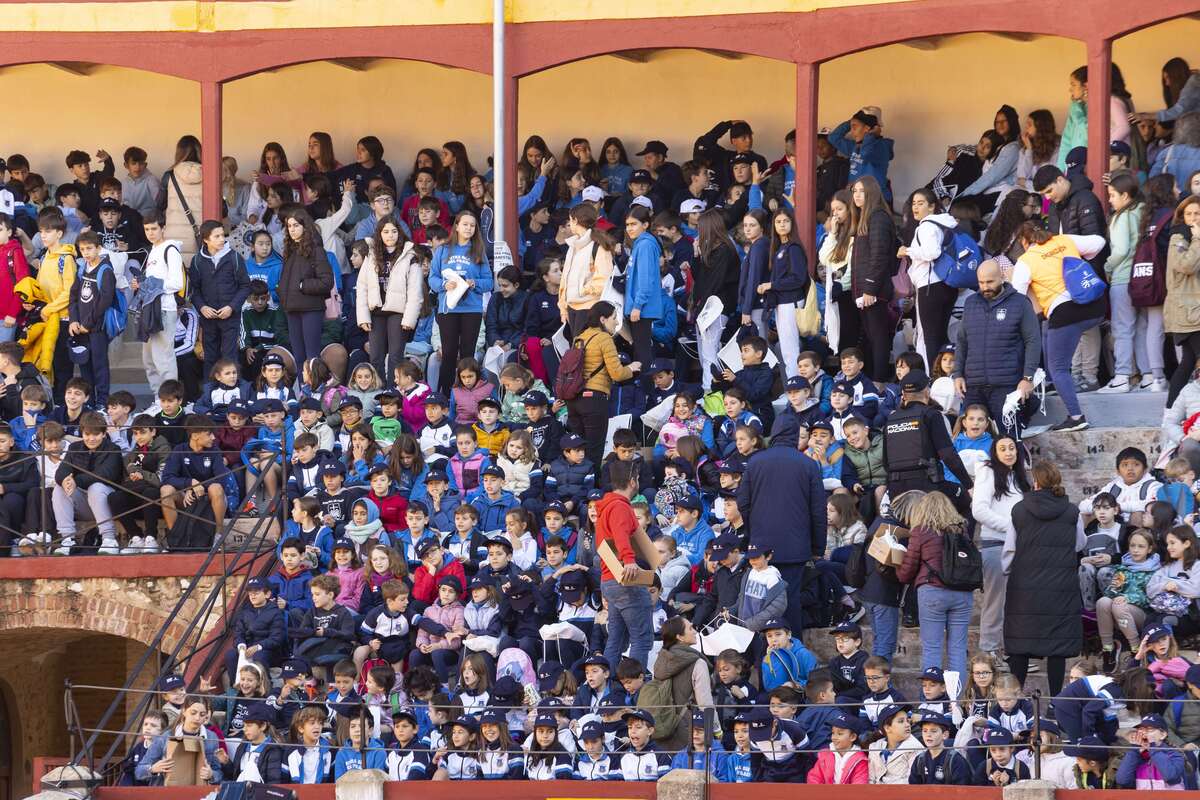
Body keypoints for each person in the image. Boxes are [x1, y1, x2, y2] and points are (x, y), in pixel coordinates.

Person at [1010, 220, 1107, 432]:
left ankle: (1075, 416)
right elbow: (1099, 242)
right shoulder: (1064, 240)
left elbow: (1017, 296)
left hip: (1065, 313)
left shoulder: (1026, 261)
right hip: (1096, 306)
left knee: (1058, 367)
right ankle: (1089, 375)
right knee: (1070, 332)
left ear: (1024, 241)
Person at [737, 414, 826, 633]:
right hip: (795, 547)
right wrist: (818, 547)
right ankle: (792, 656)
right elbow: (818, 511)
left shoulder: (756, 461)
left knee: (759, 602)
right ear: (795, 435)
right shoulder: (808, 464)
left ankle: (763, 659)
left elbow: (743, 503)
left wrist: (751, 536)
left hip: (760, 547)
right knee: (790, 601)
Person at [1003, 460, 1083, 698]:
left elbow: (1009, 550)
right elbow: (1080, 543)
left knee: (1020, 645)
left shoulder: (1019, 509)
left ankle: (1014, 701)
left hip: (1024, 588)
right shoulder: (1071, 510)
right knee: (1057, 648)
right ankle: (1056, 700)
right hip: (1061, 586)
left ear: (1035, 481)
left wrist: (1010, 572)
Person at [953, 260, 1040, 438]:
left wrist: (1027, 378)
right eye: (981, 282)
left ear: (1002, 277)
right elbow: (962, 340)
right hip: (974, 385)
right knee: (970, 439)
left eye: (990, 282)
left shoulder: (1020, 303)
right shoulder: (971, 303)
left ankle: (1017, 467)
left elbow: (1033, 341)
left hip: (1006, 385)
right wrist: (958, 374)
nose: (985, 287)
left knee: (1009, 440)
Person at [895, 492, 974, 682]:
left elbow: (907, 571)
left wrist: (897, 565)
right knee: (957, 649)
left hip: (932, 592)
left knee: (932, 648)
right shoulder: (961, 530)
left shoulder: (921, 531)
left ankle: (933, 702)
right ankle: (957, 702)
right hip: (962, 593)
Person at [972, 436, 1028, 664]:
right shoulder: (988, 472)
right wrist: (1012, 527)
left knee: (1015, 601)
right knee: (996, 600)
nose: (1008, 452)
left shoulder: (1019, 477)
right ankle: (989, 651)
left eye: (1012, 448)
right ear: (995, 452)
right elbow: (979, 510)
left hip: (1019, 547)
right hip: (996, 545)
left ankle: (1009, 651)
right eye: (1002, 449)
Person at [566, 301, 637, 477]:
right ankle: (592, 490)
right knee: (594, 448)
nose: (616, 323)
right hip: (593, 400)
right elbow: (617, 373)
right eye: (614, 318)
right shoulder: (604, 338)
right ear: (603, 319)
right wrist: (632, 368)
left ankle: (576, 486)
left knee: (577, 449)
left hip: (573, 400)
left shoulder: (579, 337)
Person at [882, 370, 973, 507]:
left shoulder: (891, 419)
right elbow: (948, 455)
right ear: (926, 391)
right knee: (967, 501)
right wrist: (969, 485)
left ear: (904, 395)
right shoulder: (931, 415)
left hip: (897, 492)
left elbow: (885, 462)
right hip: (928, 489)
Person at [595, 459, 653, 668]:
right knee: (641, 640)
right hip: (625, 580)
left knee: (616, 641)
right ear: (632, 481)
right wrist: (629, 560)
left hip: (609, 580)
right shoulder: (620, 507)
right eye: (637, 478)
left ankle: (608, 689)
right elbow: (620, 535)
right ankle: (635, 691)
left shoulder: (606, 507)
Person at [428, 210, 491, 394]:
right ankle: (446, 395)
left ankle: (468, 394)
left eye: (472, 225)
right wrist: (444, 284)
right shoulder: (442, 250)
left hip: (472, 309)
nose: (469, 228)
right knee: (448, 353)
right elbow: (432, 278)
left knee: (468, 354)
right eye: (465, 224)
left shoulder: (478, 250)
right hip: (448, 309)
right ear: (456, 226)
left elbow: (488, 282)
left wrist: (474, 283)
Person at [899, 189, 960, 373]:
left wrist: (907, 251)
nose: (915, 207)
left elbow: (932, 252)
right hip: (947, 285)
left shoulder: (926, 226)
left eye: (921, 203)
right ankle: (944, 376)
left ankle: (935, 379)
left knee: (931, 338)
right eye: (913, 203)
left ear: (932, 206)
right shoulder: (945, 224)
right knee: (941, 334)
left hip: (930, 287)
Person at [356, 218, 422, 381]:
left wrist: (409, 319)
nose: (390, 235)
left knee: (395, 356)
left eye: (394, 231)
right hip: (376, 311)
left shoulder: (410, 255)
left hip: (398, 312)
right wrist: (363, 317)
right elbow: (362, 286)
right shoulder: (371, 254)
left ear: (400, 233)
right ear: (379, 233)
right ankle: (379, 395)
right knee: (376, 356)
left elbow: (415, 292)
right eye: (385, 231)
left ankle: (394, 394)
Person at [848, 176, 897, 381]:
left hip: (874, 291)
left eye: (862, 191)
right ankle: (870, 382)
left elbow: (880, 256)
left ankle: (879, 383)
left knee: (878, 339)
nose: (857, 195)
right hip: (863, 291)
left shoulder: (878, 217)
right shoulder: (864, 218)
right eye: (855, 191)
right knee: (869, 338)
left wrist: (870, 288)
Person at [190, 220, 251, 376]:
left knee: (230, 357)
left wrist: (231, 307)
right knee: (210, 357)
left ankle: (233, 393)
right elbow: (194, 290)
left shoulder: (234, 258)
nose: (222, 239)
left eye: (222, 235)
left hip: (230, 317)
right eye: (216, 236)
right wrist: (202, 307)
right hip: (208, 318)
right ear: (205, 239)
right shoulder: (197, 261)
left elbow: (245, 286)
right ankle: (209, 395)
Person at [278, 208, 333, 370]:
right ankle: (304, 393)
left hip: (311, 309)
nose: (292, 229)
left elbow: (326, 281)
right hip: (292, 309)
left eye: (296, 225)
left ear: (305, 226)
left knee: (312, 357)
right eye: (289, 226)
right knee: (299, 357)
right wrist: (282, 290)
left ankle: (315, 393)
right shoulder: (290, 249)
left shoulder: (316, 249)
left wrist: (302, 285)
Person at [652, 616, 717, 751]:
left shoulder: (660, 660)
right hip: (691, 729)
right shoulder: (698, 663)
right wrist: (715, 731)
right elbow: (705, 703)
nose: (695, 631)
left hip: (662, 726)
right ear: (679, 637)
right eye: (690, 628)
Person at [761, 209, 809, 380]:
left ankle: (796, 387)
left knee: (790, 349)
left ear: (792, 224)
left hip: (791, 301)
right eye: (778, 221)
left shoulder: (793, 248)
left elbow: (798, 278)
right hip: (782, 302)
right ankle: (793, 386)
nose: (782, 224)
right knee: (787, 348)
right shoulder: (779, 247)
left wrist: (772, 285)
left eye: (785, 221)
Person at [558, 203, 614, 338]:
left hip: (590, 307)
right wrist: (563, 305)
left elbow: (604, 279)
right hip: (572, 306)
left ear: (575, 220)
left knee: (587, 352)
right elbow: (565, 277)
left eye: (570, 220)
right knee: (578, 351)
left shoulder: (598, 246)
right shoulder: (572, 245)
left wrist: (583, 290)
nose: (570, 223)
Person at [1165, 195, 1200, 406]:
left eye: (1197, 213)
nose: (1193, 218)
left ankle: (1170, 412)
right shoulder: (1179, 238)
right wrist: (1197, 239)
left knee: (1187, 363)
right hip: (1186, 310)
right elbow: (1185, 266)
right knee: (1188, 362)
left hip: (1193, 310)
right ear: (1182, 216)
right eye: (1189, 214)